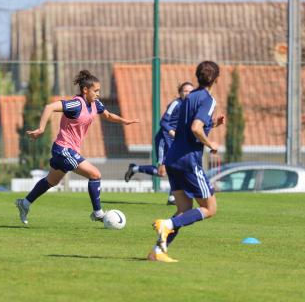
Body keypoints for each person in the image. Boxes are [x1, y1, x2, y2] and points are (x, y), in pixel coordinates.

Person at [15, 70, 139, 224]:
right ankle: (98, 213)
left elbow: (107, 115)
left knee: (51, 181)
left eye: (99, 91)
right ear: (85, 90)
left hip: (69, 150)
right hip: (63, 149)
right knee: (95, 174)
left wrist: (124, 121)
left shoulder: (95, 104)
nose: (98, 94)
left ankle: (24, 204)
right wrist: (41, 129)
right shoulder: (75, 104)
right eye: (96, 91)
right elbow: (49, 107)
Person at [148, 61, 225, 263]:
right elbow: (196, 128)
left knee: (183, 210)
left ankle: (157, 252)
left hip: (173, 157)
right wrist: (211, 145)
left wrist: (213, 124)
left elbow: (188, 127)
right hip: (188, 161)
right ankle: (167, 225)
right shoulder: (208, 99)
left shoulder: (189, 97)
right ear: (217, 79)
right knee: (210, 208)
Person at [124, 82, 194, 205]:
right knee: (162, 172)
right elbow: (163, 122)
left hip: (177, 142)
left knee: (179, 168)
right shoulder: (175, 104)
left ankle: (172, 197)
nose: (188, 93)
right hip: (165, 139)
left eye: (190, 91)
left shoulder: (191, 107)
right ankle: (134, 168)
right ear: (180, 93)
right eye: (185, 91)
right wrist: (172, 131)